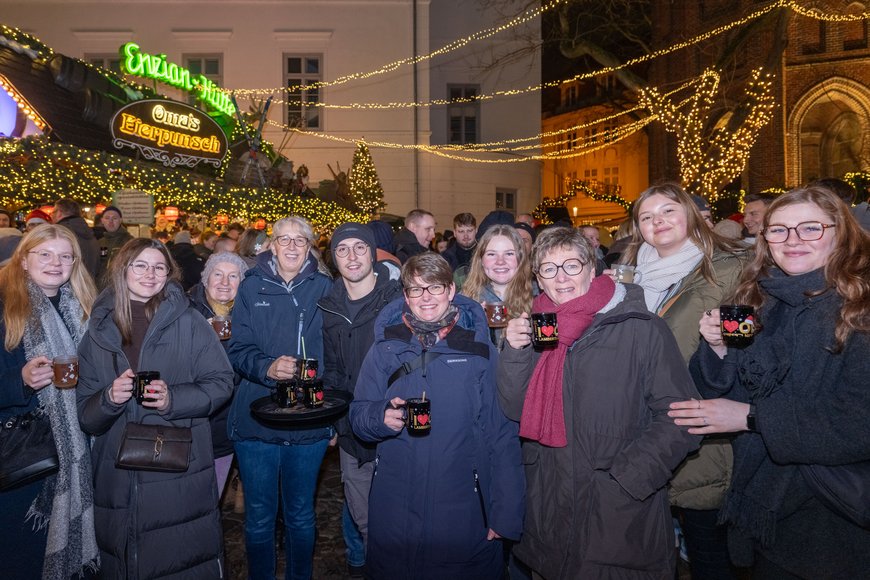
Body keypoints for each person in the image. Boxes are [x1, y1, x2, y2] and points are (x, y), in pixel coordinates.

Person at [669, 185, 870, 578]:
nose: (792, 240)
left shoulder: (859, 307)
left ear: (841, 232)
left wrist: (751, 417)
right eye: (779, 230)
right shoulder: (759, 297)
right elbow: (720, 388)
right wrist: (717, 348)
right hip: (766, 504)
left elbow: (859, 420)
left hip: (835, 512)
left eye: (810, 228)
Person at [497, 227, 701, 579]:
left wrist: (629, 479)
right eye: (549, 269)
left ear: (592, 269)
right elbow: (515, 410)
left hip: (618, 520)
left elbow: (681, 417)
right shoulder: (536, 329)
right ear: (538, 280)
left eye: (571, 265)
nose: (561, 278)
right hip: (547, 517)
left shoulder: (640, 327)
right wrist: (515, 353)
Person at [349, 252, 524, 579]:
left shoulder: (478, 350)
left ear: (450, 290)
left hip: (462, 505)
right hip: (395, 503)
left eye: (435, 287)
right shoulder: (385, 348)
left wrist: (505, 513)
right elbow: (358, 413)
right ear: (406, 296)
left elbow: (501, 433)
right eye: (416, 289)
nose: (426, 297)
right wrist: (379, 417)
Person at [609, 182, 747, 580]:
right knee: (651, 549)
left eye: (668, 211)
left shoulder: (728, 268)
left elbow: (749, 347)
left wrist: (724, 347)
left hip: (700, 422)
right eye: (647, 216)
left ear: (689, 213)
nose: (658, 221)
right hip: (642, 425)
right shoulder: (631, 274)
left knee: (707, 548)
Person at [76, 238, 233, 579]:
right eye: (141, 265)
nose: (150, 274)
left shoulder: (189, 322)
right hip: (117, 473)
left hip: (177, 469)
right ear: (122, 269)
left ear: (169, 274)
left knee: (178, 560)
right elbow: (87, 417)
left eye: (159, 267)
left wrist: (172, 399)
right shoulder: (98, 330)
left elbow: (221, 383)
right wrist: (109, 398)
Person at [227, 216, 333, 580]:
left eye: (299, 240)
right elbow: (237, 349)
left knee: (300, 514)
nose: (291, 246)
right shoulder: (251, 286)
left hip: (308, 419)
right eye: (283, 239)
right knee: (259, 517)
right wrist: (267, 367)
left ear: (309, 247)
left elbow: (335, 354)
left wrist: (333, 418)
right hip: (257, 418)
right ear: (271, 246)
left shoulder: (325, 288)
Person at [0, 225, 99, 580]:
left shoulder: (85, 307)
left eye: (65, 256)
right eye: (45, 254)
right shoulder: (6, 307)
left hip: (79, 447)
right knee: (22, 556)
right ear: (24, 260)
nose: (55, 263)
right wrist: (20, 381)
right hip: (24, 457)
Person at [318, 223, 403, 578]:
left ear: (372, 253)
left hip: (397, 430)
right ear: (334, 258)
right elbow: (333, 373)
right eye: (342, 249)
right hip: (353, 434)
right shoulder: (329, 306)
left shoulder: (399, 300)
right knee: (366, 522)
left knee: (402, 524)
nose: (352, 256)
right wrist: (336, 423)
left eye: (359, 247)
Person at [188, 251, 248, 497]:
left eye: (233, 276)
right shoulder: (186, 311)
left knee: (213, 494)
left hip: (228, 423)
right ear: (206, 279)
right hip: (193, 421)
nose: (224, 282)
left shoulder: (249, 314)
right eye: (218, 274)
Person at [460, 225, 533, 345]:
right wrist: (472, 325)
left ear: (521, 258)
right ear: (481, 260)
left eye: (509, 254)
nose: (500, 261)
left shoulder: (537, 297)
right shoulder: (465, 301)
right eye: (491, 254)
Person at [52, 199, 100, 279]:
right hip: (89, 283)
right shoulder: (89, 233)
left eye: (53, 212)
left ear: (59, 213)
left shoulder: (59, 233)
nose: (51, 215)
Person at [96, 206, 133, 277]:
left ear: (120, 220)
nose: (110, 221)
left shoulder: (129, 242)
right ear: (102, 221)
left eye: (114, 218)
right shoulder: (100, 242)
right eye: (107, 218)